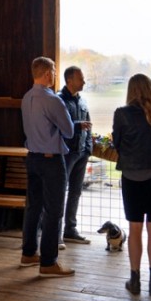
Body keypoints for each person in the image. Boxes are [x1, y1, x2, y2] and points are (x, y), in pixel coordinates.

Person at [112, 74, 151, 295]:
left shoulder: (121, 114)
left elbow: (117, 143)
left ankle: (135, 280)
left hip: (131, 176)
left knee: (135, 229)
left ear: (131, 90)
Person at [20, 57, 76, 278]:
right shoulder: (52, 100)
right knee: (54, 211)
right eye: (53, 71)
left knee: (33, 207)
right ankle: (49, 262)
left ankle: (28, 253)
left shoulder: (26, 98)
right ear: (47, 74)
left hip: (32, 157)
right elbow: (69, 131)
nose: (55, 75)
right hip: (51, 160)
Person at [58, 66, 93, 247]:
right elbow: (57, 127)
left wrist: (88, 149)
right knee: (59, 193)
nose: (84, 82)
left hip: (81, 153)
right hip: (65, 154)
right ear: (69, 80)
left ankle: (70, 230)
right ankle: (55, 234)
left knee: (75, 193)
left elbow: (89, 126)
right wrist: (77, 125)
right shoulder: (59, 100)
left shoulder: (82, 101)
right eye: (80, 78)